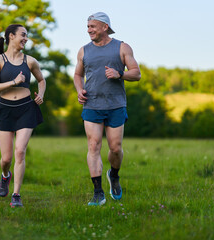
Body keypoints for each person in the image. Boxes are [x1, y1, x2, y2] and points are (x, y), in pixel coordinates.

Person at [73, 12, 141, 206]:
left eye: (92, 27)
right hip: (92, 104)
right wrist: (79, 90)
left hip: (115, 105)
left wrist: (119, 74)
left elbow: (136, 73)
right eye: (87, 27)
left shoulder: (122, 47)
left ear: (104, 27)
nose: (89, 30)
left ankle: (114, 175)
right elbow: (78, 75)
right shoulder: (83, 50)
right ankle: (98, 192)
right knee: (93, 146)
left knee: (115, 148)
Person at [0, 24, 46, 208]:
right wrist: (14, 81)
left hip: (26, 109)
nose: (26, 39)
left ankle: (16, 194)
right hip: (4, 109)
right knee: (6, 159)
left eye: (26, 36)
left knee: (20, 151)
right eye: (23, 35)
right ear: (11, 36)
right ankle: (5, 175)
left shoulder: (30, 61)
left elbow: (42, 80)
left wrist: (41, 94)